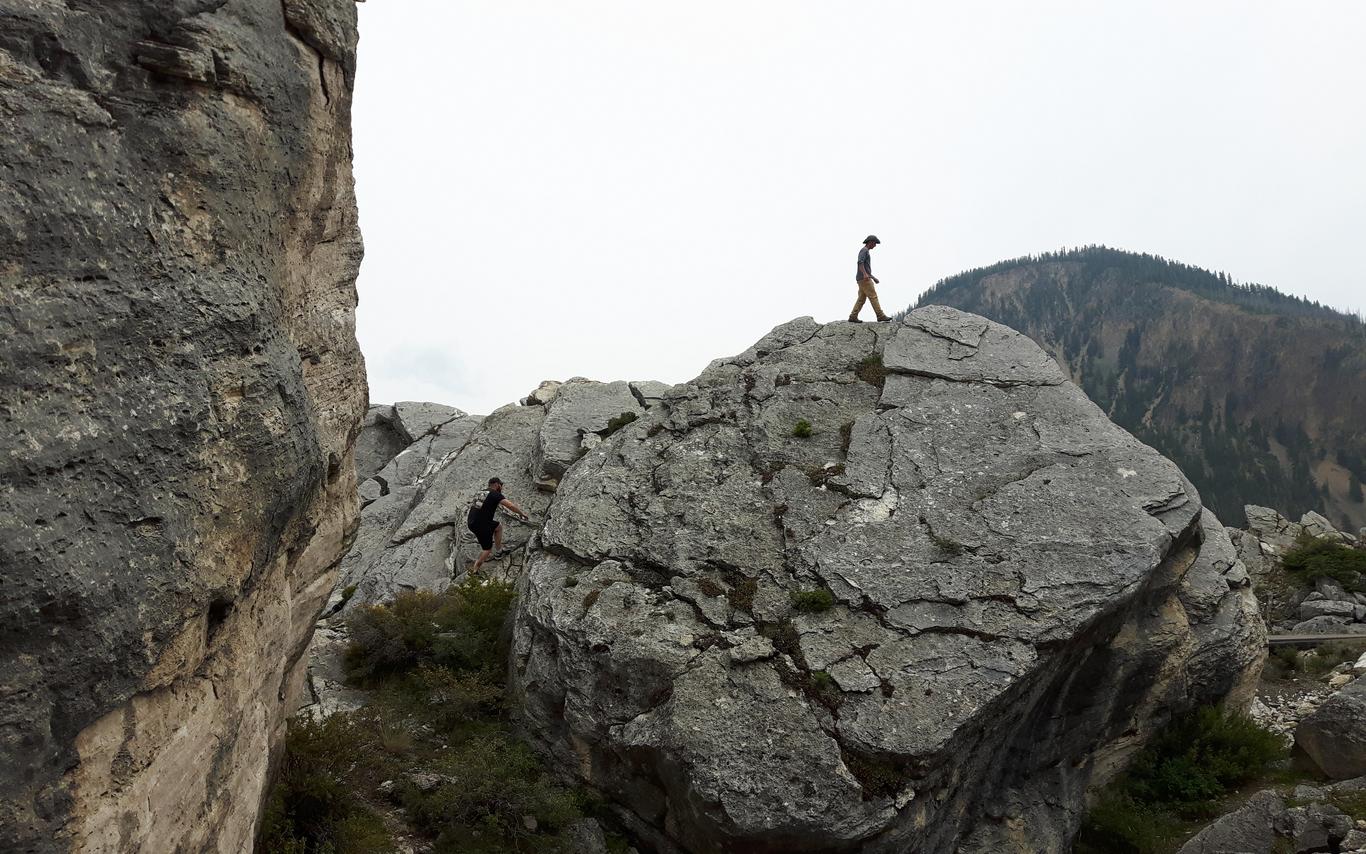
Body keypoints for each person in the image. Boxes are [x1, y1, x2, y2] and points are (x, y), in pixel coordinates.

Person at [467, 477, 528, 573]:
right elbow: (510, 505)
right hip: (481, 525)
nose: (501, 487)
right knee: (487, 549)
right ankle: (475, 570)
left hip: (471, 522)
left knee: (498, 527)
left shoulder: (481, 492)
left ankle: (499, 551)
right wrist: (522, 513)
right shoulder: (495, 494)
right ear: (496, 484)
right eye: (501, 485)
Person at [850, 235, 891, 322]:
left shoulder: (865, 251)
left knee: (861, 299)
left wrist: (873, 277)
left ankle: (853, 316)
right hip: (864, 279)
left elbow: (865, 267)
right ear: (871, 242)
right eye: (875, 243)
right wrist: (865, 275)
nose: (875, 245)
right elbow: (860, 263)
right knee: (873, 296)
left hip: (861, 278)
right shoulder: (864, 250)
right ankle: (880, 315)